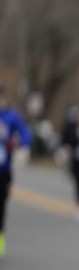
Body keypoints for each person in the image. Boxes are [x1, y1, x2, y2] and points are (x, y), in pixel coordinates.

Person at [0, 82, 33, 258]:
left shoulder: (12, 116)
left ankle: (0, 237)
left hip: (3, 170)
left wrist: (18, 143)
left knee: (1, 205)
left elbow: (27, 135)